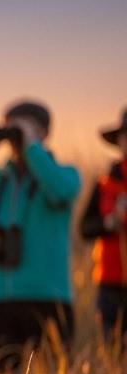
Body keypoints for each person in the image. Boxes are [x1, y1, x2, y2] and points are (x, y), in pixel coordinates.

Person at [0, 100, 81, 372]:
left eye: (25, 127)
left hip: (48, 294)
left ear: (44, 132)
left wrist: (32, 147)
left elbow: (61, 190)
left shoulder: (64, 174)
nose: (16, 134)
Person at [79, 107, 127, 351]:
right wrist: (108, 224)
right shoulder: (105, 182)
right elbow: (85, 228)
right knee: (112, 349)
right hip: (110, 280)